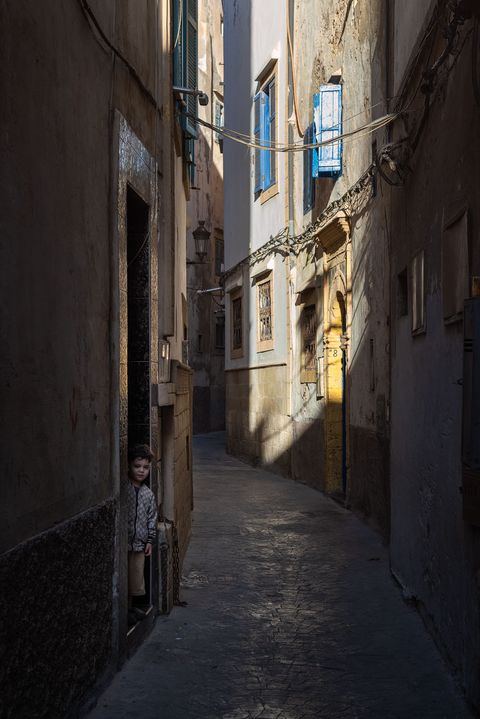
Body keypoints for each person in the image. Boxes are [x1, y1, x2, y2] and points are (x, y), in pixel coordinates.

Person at [127, 444, 157, 626]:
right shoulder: (124, 489)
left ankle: (130, 607)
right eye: (137, 466)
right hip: (124, 544)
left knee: (135, 578)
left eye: (145, 467)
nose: (141, 471)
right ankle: (125, 610)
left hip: (139, 545)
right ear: (130, 466)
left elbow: (151, 518)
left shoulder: (148, 494)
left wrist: (149, 540)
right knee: (124, 577)